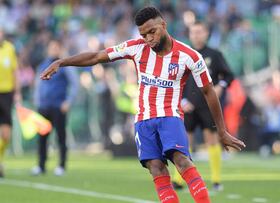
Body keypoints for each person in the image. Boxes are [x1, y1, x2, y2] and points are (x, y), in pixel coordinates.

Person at [40, 7, 245, 203]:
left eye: (152, 32)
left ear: (163, 25)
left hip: (169, 117)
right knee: (156, 167)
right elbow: (96, 56)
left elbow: (209, 91)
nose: (148, 38)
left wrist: (222, 130)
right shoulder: (136, 47)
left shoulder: (189, 56)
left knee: (181, 161)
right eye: (144, 34)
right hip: (143, 121)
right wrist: (62, 62)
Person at [172, 21, 234, 191]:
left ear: (206, 33)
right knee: (184, 142)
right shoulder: (183, 54)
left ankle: (216, 180)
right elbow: (175, 79)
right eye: (193, 32)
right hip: (187, 106)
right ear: (189, 34)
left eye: (200, 32)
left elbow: (229, 76)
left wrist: (221, 85)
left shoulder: (214, 54)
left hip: (207, 105)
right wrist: (182, 100)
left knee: (211, 141)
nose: (196, 35)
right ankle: (179, 179)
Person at [32, 39, 79, 176]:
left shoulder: (63, 65)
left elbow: (74, 84)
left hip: (59, 106)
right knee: (42, 138)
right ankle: (41, 166)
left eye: (56, 47)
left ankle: (61, 165)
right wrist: (37, 102)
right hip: (44, 107)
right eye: (51, 47)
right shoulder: (43, 65)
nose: (54, 50)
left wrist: (68, 101)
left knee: (61, 137)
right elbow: (38, 84)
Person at [0, 28, 21, 178]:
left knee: (6, 135)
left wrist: (17, 92)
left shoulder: (9, 48)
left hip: (6, 94)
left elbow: (15, 72)